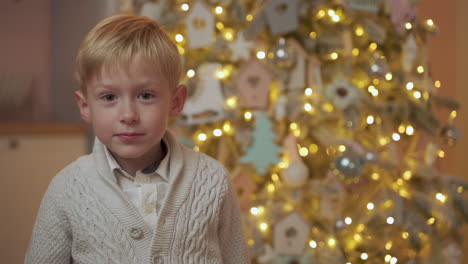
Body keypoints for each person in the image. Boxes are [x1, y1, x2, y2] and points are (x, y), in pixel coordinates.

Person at [25, 14, 249, 264]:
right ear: (85, 105)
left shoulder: (212, 181)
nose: (128, 115)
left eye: (145, 95)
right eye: (109, 97)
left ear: (175, 102)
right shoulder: (67, 188)